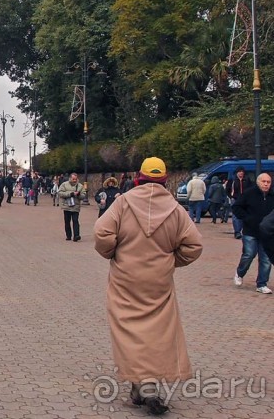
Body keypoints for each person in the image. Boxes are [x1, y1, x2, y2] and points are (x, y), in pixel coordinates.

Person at [94, 157, 203, 416]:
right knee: (158, 331)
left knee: (129, 330)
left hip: (125, 277)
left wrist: (114, 253)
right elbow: (194, 246)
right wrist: (171, 261)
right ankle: (150, 386)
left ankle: (139, 384)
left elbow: (102, 234)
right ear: (165, 180)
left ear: (139, 177)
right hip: (159, 281)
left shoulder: (123, 203)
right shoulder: (176, 209)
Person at [231, 172, 274, 294]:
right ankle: (240, 273)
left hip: (268, 234)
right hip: (251, 230)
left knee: (266, 259)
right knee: (249, 254)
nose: (266, 184)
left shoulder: (272, 195)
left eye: (268, 182)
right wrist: (247, 218)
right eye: (263, 181)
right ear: (258, 182)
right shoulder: (249, 193)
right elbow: (236, 207)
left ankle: (262, 284)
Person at [227, 167, 253, 239]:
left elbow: (250, 189)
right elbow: (228, 189)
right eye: (239, 171)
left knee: (243, 215)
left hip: (245, 200)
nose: (241, 173)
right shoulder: (232, 180)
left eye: (242, 171)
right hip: (235, 199)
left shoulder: (247, 180)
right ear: (237, 172)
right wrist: (231, 196)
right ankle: (237, 231)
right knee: (235, 216)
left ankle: (241, 230)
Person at [58, 172, 84, 241]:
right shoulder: (64, 184)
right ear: (70, 178)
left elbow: (83, 195)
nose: (74, 180)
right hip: (67, 206)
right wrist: (71, 194)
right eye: (73, 179)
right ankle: (68, 235)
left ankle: (76, 235)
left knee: (75, 221)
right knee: (67, 221)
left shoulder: (80, 186)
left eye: (75, 179)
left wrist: (78, 195)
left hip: (75, 206)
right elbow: (60, 193)